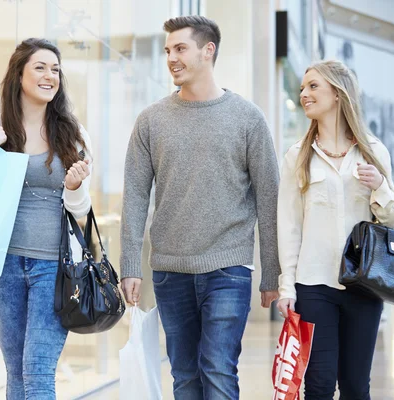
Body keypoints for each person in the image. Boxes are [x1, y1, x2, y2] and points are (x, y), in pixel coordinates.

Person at [119, 16, 280, 399]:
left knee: (219, 371)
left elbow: (269, 199)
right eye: (168, 51)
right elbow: (136, 194)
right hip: (170, 271)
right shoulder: (151, 121)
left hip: (228, 267)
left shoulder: (247, 118)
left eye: (180, 49)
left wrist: (271, 273)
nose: (171, 58)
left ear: (208, 51)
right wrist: (129, 265)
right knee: (185, 376)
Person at [0, 38, 92, 400]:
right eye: (40, 67)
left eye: (55, 69)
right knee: (16, 373)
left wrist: (74, 187)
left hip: (54, 268)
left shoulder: (72, 133)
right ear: (19, 74)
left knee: (38, 372)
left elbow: (80, 211)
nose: (50, 76)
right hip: (0, 266)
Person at [277, 60, 394, 400]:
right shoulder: (296, 157)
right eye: (303, 88)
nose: (304, 94)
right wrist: (286, 286)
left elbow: (391, 224)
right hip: (314, 282)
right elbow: (288, 226)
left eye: (313, 86)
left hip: (364, 284)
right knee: (317, 384)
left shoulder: (373, 152)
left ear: (337, 93)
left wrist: (380, 187)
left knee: (356, 386)